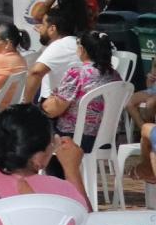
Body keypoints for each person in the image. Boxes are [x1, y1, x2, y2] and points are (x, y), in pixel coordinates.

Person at [41, 29, 120, 180]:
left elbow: (53, 110)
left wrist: (46, 102)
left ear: (82, 50)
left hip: (74, 138)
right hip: (103, 139)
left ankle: (58, 182)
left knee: (43, 123)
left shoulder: (77, 73)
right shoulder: (115, 75)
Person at [25, 6, 83, 104]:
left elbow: (35, 72)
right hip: (75, 105)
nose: (40, 28)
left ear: (52, 29)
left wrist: (25, 105)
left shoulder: (59, 45)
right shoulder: (77, 43)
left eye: (43, 24)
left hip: (54, 107)